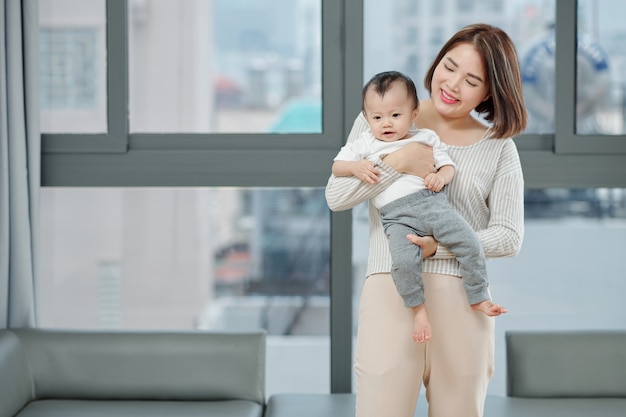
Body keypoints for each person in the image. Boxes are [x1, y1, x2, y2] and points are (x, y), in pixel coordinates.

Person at [325, 23, 527, 417]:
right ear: (436, 62)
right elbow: (336, 197)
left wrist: (440, 245)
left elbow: (508, 236)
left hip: (464, 300)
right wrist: (398, 162)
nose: (452, 84)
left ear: (489, 92)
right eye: (448, 66)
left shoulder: (499, 149)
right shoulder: (385, 115)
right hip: (391, 290)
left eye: (471, 80)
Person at [331, 70, 506, 343]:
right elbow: (337, 168)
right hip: (396, 218)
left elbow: (448, 166)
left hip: (431, 205)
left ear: (413, 114)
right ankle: (419, 311)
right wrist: (356, 166)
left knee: (468, 241)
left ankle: (478, 296)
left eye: (395, 115)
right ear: (367, 119)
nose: (386, 123)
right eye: (377, 117)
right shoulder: (365, 143)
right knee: (402, 262)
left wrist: (441, 176)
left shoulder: (426, 138)